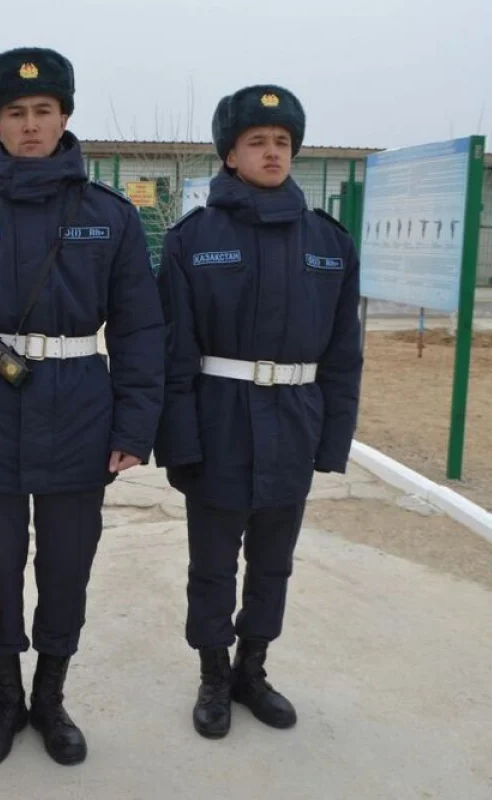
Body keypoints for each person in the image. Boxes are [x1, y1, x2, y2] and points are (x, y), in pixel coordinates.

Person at [0, 47, 165, 768]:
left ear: (64, 117)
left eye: (43, 111)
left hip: (81, 410)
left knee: (68, 566)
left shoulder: (108, 218)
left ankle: (51, 697)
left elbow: (141, 327)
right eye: (15, 114)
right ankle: (8, 699)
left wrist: (135, 425)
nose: (29, 126)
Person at [154, 84, 363, 739]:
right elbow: (174, 355)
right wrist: (179, 444)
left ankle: (253, 669)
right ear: (230, 155)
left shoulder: (329, 242)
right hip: (219, 422)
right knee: (213, 566)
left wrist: (332, 442)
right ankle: (214, 675)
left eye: (282, 143)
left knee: (274, 564)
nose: (272, 153)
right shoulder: (194, 240)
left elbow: (343, 354)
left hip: (294, 424)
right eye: (257, 143)